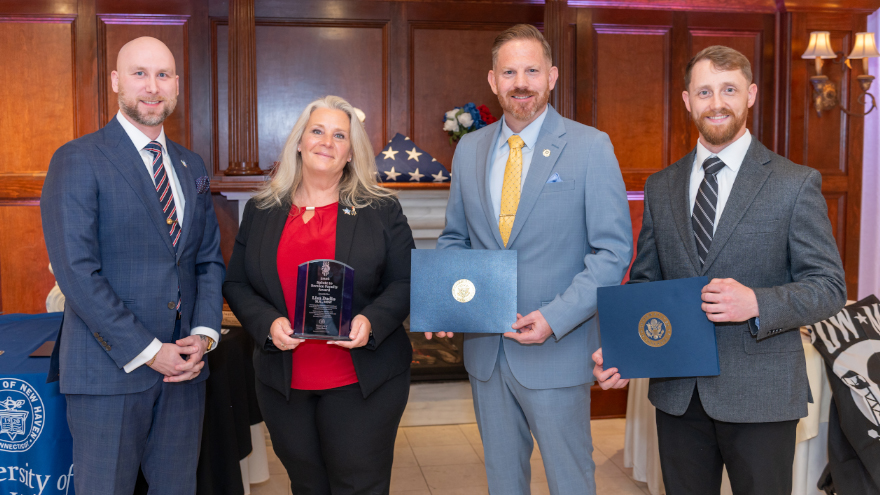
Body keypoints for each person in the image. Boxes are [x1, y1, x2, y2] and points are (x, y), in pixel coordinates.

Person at [593, 45, 846, 495]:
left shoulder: (794, 182)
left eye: (728, 89)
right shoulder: (661, 185)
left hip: (762, 394)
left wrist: (757, 302)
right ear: (688, 101)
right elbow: (647, 283)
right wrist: (624, 349)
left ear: (749, 95)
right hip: (677, 394)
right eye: (704, 91)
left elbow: (827, 287)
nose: (716, 103)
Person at [433, 24, 633, 495]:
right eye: (509, 71)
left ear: (552, 77)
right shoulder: (469, 150)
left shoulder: (591, 146)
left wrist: (555, 317)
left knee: (571, 483)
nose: (520, 82)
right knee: (503, 483)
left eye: (531, 70)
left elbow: (612, 252)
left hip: (558, 351)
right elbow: (453, 240)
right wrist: (447, 301)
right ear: (492, 80)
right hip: (487, 352)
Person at [40, 36, 225, 494]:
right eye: (140, 74)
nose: (152, 86)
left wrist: (202, 336)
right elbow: (77, 274)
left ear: (176, 85)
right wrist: (149, 350)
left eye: (163, 75)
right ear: (116, 81)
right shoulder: (77, 159)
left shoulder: (190, 165)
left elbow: (207, 261)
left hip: (184, 373)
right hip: (108, 372)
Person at [222, 95, 414, 495]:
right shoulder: (262, 208)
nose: (327, 141)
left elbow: (406, 282)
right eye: (317, 131)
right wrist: (267, 323)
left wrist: (371, 321)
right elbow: (236, 283)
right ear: (299, 141)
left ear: (350, 152)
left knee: (358, 485)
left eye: (339, 135)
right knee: (306, 486)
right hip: (284, 384)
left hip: (362, 382)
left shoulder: (381, 209)